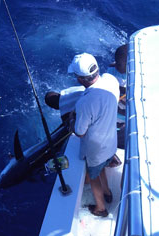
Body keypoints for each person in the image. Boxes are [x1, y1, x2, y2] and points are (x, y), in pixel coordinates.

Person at [67, 52, 119, 217]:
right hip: (111, 143)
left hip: (96, 149)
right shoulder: (111, 80)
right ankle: (108, 192)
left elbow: (80, 133)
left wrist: (71, 121)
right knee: (102, 166)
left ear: (81, 79)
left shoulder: (85, 102)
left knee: (94, 175)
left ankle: (101, 208)